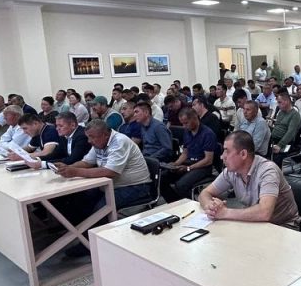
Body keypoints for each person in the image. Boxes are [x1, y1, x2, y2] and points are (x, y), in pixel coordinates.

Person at [49, 120, 154, 255]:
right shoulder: (99, 142)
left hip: (136, 187)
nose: (89, 141)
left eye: (92, 137)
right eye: (88, 137)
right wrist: (68, 167)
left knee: (101, 209)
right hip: (110, 185)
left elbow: (110, 171)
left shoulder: (119, 142)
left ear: (105, 135)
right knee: (81, 199)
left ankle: (90, 244)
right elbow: (87, 162)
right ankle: (82, 233)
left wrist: (75, 172)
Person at [198, 131, 300, 226]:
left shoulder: (268, 171)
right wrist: (211, 207)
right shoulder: (231, 171)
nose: (222, 157)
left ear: (243, 154)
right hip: (257, 223)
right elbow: (205, 193)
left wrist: (225, 212)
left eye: (227, 151)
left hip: (284, 226)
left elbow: (265, 212)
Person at [161, 108, 217, 202]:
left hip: (203, 167)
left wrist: (188, 168)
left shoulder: (208, 134)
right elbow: (185, 153)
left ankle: (191, 204)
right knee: (162, 178)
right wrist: (175, 164)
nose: (184, 126)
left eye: (186, 123)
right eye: (182, 123)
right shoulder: (187, 132)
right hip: (189, 163)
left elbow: (208, 160)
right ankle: (176, 202)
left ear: (195, 118)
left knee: (181, 185)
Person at [269, 92, 300, 165]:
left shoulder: (295, 115)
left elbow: (291, 133)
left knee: (276, 160)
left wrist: (280, 145)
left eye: (280, 102)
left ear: (287, 101)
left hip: (285, 142)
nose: (278, 104)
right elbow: (277, 127)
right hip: (274, 140)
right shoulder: (281, 112)